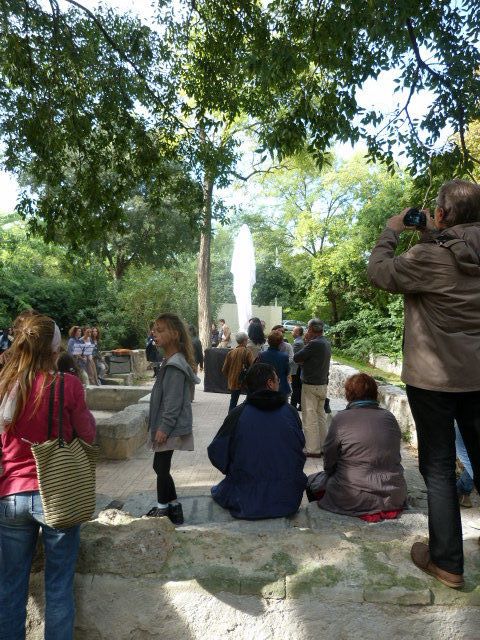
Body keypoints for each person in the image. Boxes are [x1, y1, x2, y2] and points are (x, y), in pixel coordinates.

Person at [367, 179, 480, 590]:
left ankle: (447, 562)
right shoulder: (444, 250)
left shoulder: (427, 258)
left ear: (443, 213)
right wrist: (435, 236)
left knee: (437, 468)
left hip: (434, 381)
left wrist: (393, 229)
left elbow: (379, 272)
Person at [0, 313, 96, 640]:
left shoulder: (6, 383)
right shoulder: (66, 385)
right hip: (56, 494)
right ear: (55, 348)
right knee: (58, 587)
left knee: (10, 587)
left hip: (10, 495)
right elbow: (88, 433)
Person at [208, 362, 307, 519]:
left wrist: (237, 470)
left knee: (222, 489)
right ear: (270, 384)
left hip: (246, 500)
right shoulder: (290, 412)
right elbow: (299, 446)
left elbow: (216, 453)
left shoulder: (238, 414)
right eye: (277, 380)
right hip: (287, 498)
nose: (279, 383)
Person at [314, 373, 407, 521]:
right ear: (374, 393)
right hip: (393, 495)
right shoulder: (389, 417)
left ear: (348, 394)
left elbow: (329, 459)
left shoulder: (341, 419)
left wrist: (331, 474)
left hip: (353, 496)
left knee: (314, 481)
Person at [146, 313, 199, 525]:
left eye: (160, 330)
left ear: (175, 335)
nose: (154, 333)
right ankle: (173, 507)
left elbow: (173, 401)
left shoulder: (175, 365)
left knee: (160, 467)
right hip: (166, 425)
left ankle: (163, 509)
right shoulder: (171, 360)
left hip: (167, 426)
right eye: (154, 329)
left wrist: (164, 427)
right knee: (161, 466)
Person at [293, 319, 331, 457]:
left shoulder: (314, 344)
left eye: (308, 328)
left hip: (311, 386)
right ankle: (323, 446)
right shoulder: (326, 342)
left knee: (309, 418)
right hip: (322, 385)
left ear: (311, 329)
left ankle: (313, 450)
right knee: (320, 417)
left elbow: (297, 357)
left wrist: (307, 343)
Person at [222, 331, 255, 412]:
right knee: (250, 398)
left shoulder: (231, 353)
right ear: (244, 341)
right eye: (247, 340)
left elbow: (224, 369)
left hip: (233, 381)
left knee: (233, 401)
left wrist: (230, 377)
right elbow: (253, 367)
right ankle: (246, 414)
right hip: (245, 380)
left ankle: (230, 418)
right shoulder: (247, 352)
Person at [257, 331, 291, 396]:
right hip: (281, 386)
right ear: (281, 342)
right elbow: (287, 371)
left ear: (268, 341)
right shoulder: (284, 356)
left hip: (266, 386)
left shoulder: (262, 355)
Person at [290, 325, 304, 410]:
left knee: (296, 387)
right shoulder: (299, 342)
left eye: (293, 331)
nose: (292, 332)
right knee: (298, 387)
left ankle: (293, 406)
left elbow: (293, 357)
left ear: (298, 332)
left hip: (296, 369)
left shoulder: (298, 343)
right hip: (298, 368)